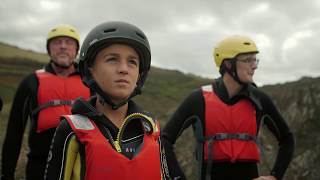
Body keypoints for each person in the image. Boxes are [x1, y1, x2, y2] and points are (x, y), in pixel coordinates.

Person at [44, 21, 171, 180]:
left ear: (139, 74)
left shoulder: (151, 128)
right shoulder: (70, 131)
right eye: (112, 59)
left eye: (132, 62)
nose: (124, 69)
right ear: (90, 68)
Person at [162, 35, 295, 180]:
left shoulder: (260, 100)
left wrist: (275, 176)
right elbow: (165, 139)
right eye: (247, 60)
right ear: (228, 64)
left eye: (254, 59)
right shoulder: (198, 99)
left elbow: (287, 138)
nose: (254, 65)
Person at [1, 24, 90, 180]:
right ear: (49, 49)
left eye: (69, 42)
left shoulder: (91, 81)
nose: (63, 47)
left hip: (84, 165)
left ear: (76, 50)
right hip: (40, 167)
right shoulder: (31, 82)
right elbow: (14, 132)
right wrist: (7, 174)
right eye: (57, 42)